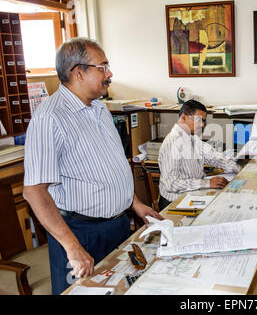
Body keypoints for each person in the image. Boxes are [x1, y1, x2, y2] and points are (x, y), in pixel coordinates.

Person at [22, 38, 163, 295]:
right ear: (78, 72)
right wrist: (72, 247)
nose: (109, 74)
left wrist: (135, 204)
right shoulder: (50, 118)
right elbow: (34, 191)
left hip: (117, 225)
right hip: (80, 233)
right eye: (103, 67)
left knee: (122, 288)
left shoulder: (100, 108)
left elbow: (110, 168)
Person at [158, 100, 241, 209]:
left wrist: (239, 169)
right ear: (184, 117)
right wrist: (207, 183)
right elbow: (172, 184)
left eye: (204, 121)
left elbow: (213, 157)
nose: (202, 125)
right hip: (175, 202)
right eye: (199, 120)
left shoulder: (193, 138)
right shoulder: (172, 143)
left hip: (194, 194)